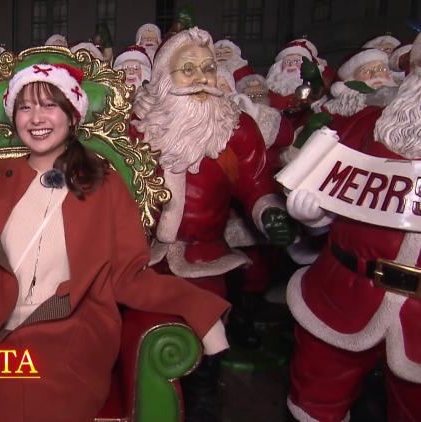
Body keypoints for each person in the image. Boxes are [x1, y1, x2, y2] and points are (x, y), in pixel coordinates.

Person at [0, 63, 230, 422]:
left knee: (25, 390)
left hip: (68, 331)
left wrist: (197, 307)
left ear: (72, 116)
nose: (36, 118)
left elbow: (128, 275)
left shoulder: (104, 184)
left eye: (49, 105)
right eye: (25, 107)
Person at [132, 27, 296, 420]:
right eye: (188, 69)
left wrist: (269, 212)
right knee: (141, 335)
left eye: (208, 68)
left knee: (208, 331)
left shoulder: (235, 129)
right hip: (141, 256)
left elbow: (256, 183)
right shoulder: (137, 127)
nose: (202, 78)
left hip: (205, 256)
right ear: (164, 77)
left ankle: (202, 398)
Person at [284, 33, 421, 422]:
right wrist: (315, 217)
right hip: (343, 293)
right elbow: (329, 191)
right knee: (316, 399)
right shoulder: (363, 126)